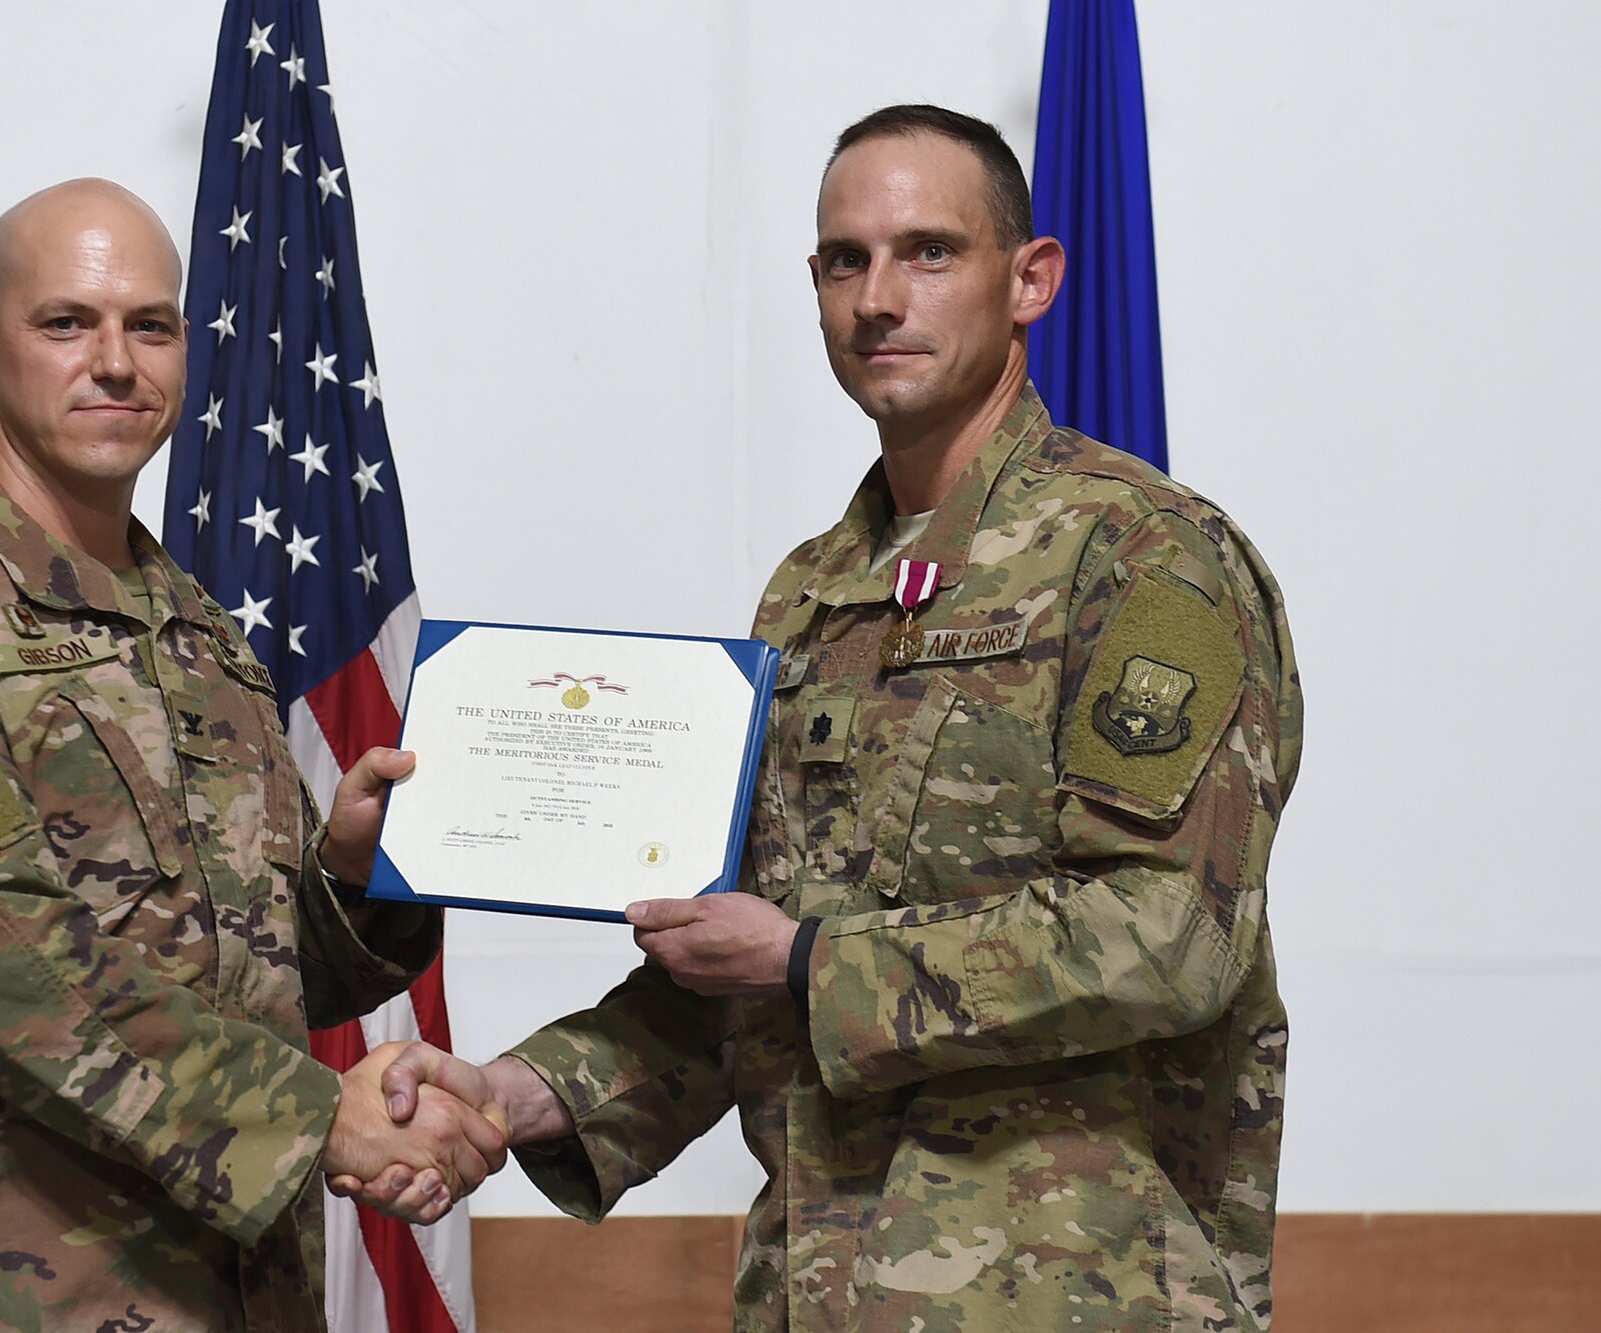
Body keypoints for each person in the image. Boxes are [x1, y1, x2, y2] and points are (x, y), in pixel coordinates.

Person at [345, 105, 1302, 1331]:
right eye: (845, 261)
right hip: (820, 1289)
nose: (878, 297)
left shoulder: (1146, 559)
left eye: (928, 252)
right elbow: (733, 969)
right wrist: (503, 1092)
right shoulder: (811, 598)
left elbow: (1166, 937)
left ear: (1030, 280)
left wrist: (806, 959)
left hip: (1075, 1296)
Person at [0, 178, 506, 1333]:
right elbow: (2, 972)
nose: (114, 361)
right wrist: (313, 1116)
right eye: (66, 323)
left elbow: (247, 975)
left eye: (149, 325)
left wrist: (344, 876)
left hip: (234, 1294)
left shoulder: (198, 640)